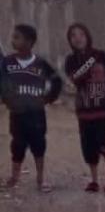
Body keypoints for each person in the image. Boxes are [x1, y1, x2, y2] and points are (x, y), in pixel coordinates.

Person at [1, 24, 62, 192]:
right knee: (17, 145)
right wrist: (6, 98)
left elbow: (57, 80)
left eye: (17, 37)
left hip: (36, 114)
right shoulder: (7, 63)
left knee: (38, 145)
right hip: (17, 113)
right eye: (13, 37)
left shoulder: (40, 63)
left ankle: (41, 179)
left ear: (29, 42)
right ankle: (14, 177)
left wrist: (49, 98)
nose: (13, 40)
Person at [64, 22, 105, 194]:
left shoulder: (101, 55)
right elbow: (75, 78)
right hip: (84, 111)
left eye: (81, 34)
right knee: (88, 148)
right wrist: (89, 62)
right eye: (73, 36)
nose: (77, 38)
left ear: (87, 36)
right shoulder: (70, 60)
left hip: (102, 110)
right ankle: (94, 180)